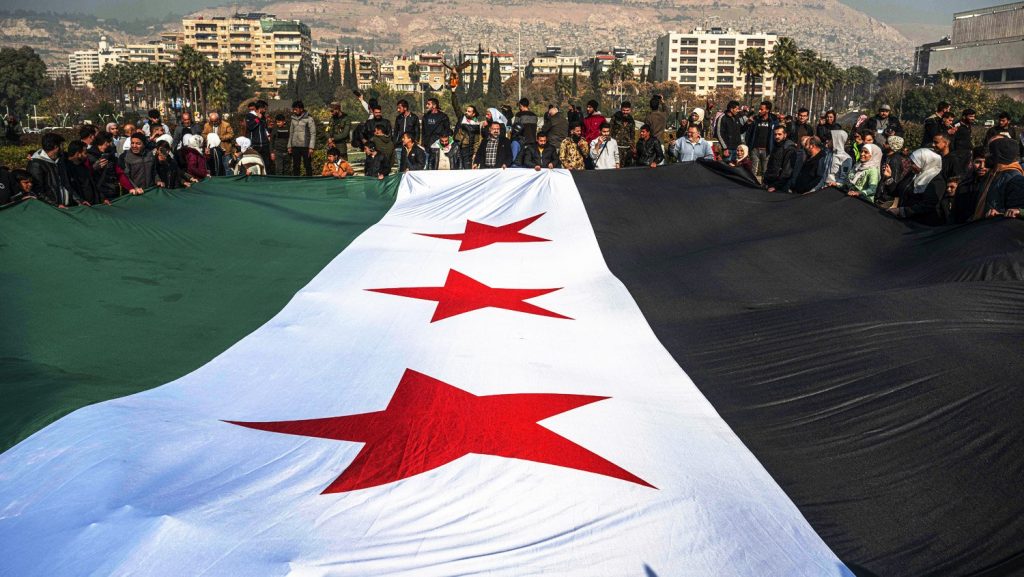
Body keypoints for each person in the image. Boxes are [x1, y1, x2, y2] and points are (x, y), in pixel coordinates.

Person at [889, 148, 945, 224]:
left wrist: (902, 211)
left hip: (918, 225)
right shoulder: (913, 175)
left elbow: (928, 206)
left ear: (924, 162)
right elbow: (897, 191)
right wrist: (888, 178)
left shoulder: (936, 181)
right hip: (902, 221)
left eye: (914, 163)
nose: (910, 165)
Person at [27, 133, 80, 207]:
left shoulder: (60, 160)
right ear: (56, 147)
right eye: (62, 145)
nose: (63, 148)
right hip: (52, 209)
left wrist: (79, 200)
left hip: (66, 207)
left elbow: (66, 184)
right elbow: (37, 191)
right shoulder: (36, 164)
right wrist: (55, 205)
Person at [976, 137, 1024, 219]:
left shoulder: (1015, 180)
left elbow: (1014, 217)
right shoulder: (994, 175)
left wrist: (999, 214)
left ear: (999, 155)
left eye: (990, 152)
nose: (986, 155)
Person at [744, 101, 778, 179]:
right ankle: (752, 185)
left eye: (761, 109)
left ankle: (763, 186)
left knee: (765, 172)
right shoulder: (755, 119)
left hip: (767, 150)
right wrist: (749, 146)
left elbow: (776, 135)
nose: (759, 111)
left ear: (767, 110)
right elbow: (748, 133)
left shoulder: (773, 121)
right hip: (755, 149)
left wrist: (773, 148)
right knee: (753, 172)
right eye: (759, 109)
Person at [64, 140, 102, 205]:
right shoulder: (66, 169)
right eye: (85, 153)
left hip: (91, 204)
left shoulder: (84, 167)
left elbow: (93, 186)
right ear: (78, 154)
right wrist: (80, 201)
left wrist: (102, 198)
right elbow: (70, 188)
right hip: (80, 206)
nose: (87, 156)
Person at [764, 126, 799, 193]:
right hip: (771, 181)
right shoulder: (776, 145)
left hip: (781, 185)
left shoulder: (789, 148)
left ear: (785, 135)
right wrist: (765, 180)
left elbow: (787, 171)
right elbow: (770, 164)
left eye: (779, 134)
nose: (777, 136)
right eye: (775, 134)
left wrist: (776, 186)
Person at [287, 100, 316, 177]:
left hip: (305, 146)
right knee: (296, 166)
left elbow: (313, 133)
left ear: (301, 109)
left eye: (296, 109)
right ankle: (296, 181)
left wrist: (311, 147)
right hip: (295, 146)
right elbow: (291, 133)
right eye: (293, 109)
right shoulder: (293, 119)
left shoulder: (309, 119)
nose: (294, 111)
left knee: (307, 165)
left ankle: (309, 181)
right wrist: (289, 146)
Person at [454, 104, 484, 169]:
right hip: (457, 148)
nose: (466, 112)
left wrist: (475, 153)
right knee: (456, 168)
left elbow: (476, 140)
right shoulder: (462, 119)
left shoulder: (476, 124)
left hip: (468, 150)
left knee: (467, 168)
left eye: (469, 111)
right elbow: (456, 107)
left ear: (473, 114)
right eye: (466, 111)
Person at [246, 100, 272, 172]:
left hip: (265, 145)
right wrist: (258, 119)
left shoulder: (263, 117)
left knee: (266, 164)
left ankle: (265, 177)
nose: (265, 110)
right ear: (260, 108)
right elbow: (250, 127)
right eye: (264, 108)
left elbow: (265, 129)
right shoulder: (249, 116)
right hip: (255, 145)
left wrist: (268, 136)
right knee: (255, 164)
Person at [610, 101, 636, 168]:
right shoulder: (615, 117)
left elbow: (632, 135)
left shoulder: (631, 120)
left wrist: (633, 147)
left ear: (630, 110)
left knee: (627, 168)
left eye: (627, 110)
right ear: (621, 109)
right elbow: (610, 131)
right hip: (616, 147)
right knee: (616, 167)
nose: (625, 112)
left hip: (627, 148)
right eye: (624, 110)